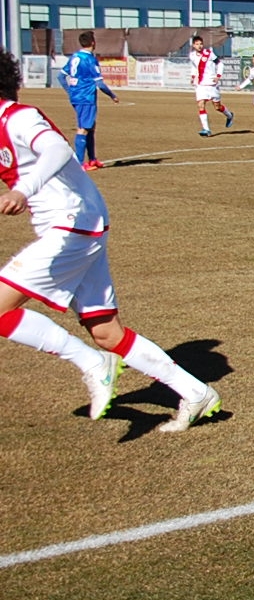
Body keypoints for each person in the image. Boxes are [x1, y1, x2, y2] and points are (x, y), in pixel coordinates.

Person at [0, 49, 220, 431]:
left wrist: (23, 189)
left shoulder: (17, 116)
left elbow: (56, 148)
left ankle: (90, 363)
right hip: (78, 225)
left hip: (73, 224)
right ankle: (196, 392)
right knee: (106, 331)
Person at [59, 30, 119, 171]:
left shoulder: (75, 57)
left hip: (77, 97)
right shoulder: (89, 59)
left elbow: (61, 77)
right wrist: (112, 95)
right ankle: (79, 164)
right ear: (93, 43)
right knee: (83, 129)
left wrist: (70, 91)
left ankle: (92, 160)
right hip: (86, 97)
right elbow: (100, 84)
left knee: (90, 126)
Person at [189, 35, 233, 137]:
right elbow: (194, 67)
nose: (199, 46)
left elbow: (220, 64)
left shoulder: (209, 54)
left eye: (201, 44)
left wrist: (218, 76)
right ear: (193, 45)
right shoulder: (192, 55)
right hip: (201, 85)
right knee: (201, 104)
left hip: (212, 84)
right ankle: (206, 129)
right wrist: (192, 77)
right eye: (197, 44)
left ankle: (229, 115)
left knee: (217, 107)